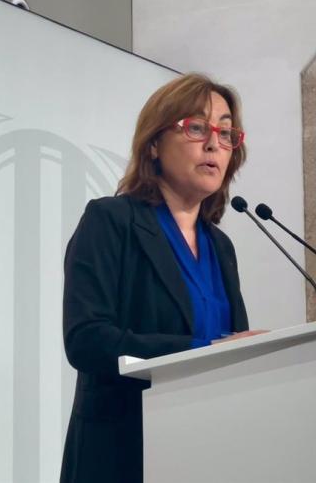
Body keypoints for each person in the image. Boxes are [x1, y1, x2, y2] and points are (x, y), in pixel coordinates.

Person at [60, 73, 265, 483]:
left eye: (226, 134)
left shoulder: (220, 247)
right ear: (154, 143)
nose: (214, 144)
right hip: (122, 455)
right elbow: (87, 340)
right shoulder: (111, 220)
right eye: (197, 128)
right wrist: (202, 350)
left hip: (207, 453)